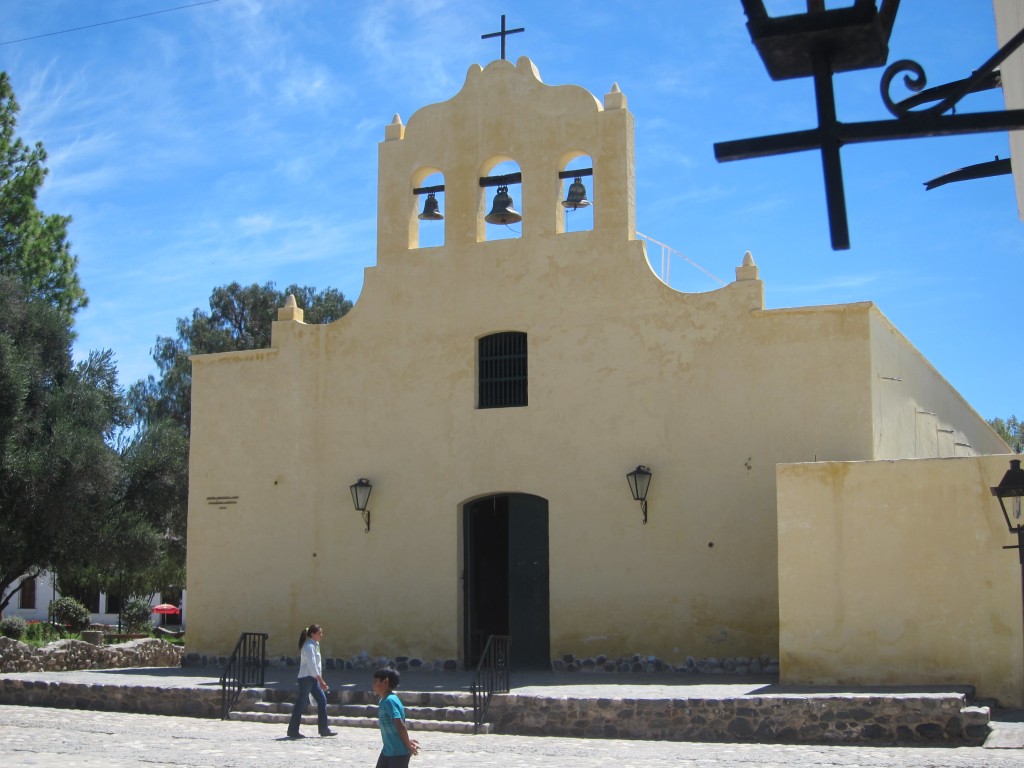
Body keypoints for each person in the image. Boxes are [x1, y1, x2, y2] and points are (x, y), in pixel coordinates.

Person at [287, 624, 336, 739]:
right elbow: (312, 665)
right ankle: (293, 730)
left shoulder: (314, 645)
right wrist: (321, 681)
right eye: (319, 633)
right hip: (306, 678)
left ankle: (324, 729)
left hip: (312, 679)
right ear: (313, 634)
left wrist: (318, 679)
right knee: (301, 703)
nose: (321, 635)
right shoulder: (309, 646)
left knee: (322, 700)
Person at [372, 667, 419, 767]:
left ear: (385, 682)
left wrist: (408, 745)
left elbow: (399, 725)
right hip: (387, 751)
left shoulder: (390, 701)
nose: (373, 684)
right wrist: (407, 740)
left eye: (375, 681)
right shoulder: (383, 701)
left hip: (398, 753)